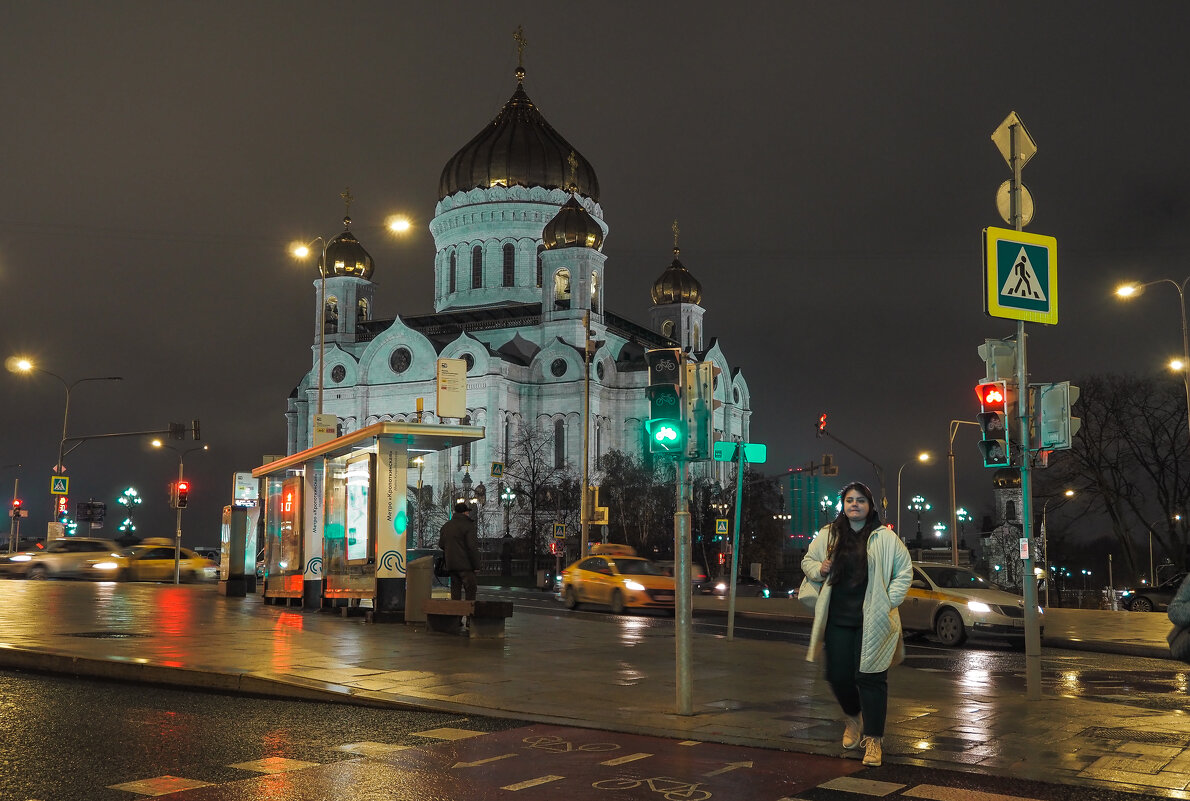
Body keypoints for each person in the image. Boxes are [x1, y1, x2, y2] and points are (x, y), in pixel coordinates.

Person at [801, 481, 912, 768]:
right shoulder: (829, 535)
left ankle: (873, 740)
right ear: (843, 505)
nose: (855, 505)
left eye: (861, 500)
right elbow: (808, 562)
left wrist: (889, 600)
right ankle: (853, 717)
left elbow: (904, 572)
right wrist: (819, 568)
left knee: (871, 678)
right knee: (837, 676)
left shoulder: (885, 538)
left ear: (870, 506)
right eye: (850, 500)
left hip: (873, 618)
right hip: (837, 617)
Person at [438, 502, 481, 602]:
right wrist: (476, 566)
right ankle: (469, 614)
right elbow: (472, 547)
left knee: (455, 592)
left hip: (451, 565)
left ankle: (455, 615)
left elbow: (441, 544)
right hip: (466, 565)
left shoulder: (446, 526)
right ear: (465, 512)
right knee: (470, 591)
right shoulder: (468, 526)